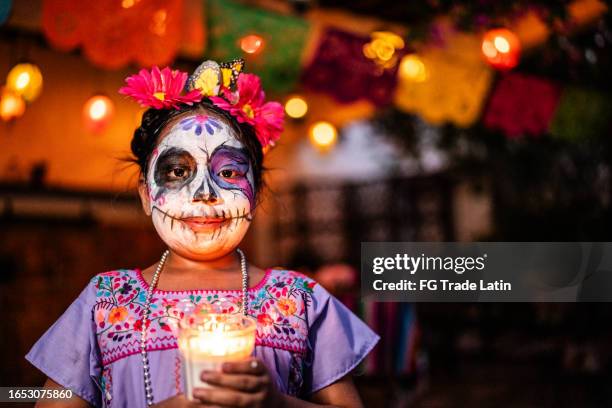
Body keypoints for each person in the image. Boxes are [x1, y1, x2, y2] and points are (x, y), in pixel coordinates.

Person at [25, 61, 379, 407]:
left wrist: (276, 403)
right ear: (146, 195)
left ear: (255, 194)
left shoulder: (301, 300)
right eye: (178, 170)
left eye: (228, 172)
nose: (204, 192)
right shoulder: (103, 302)